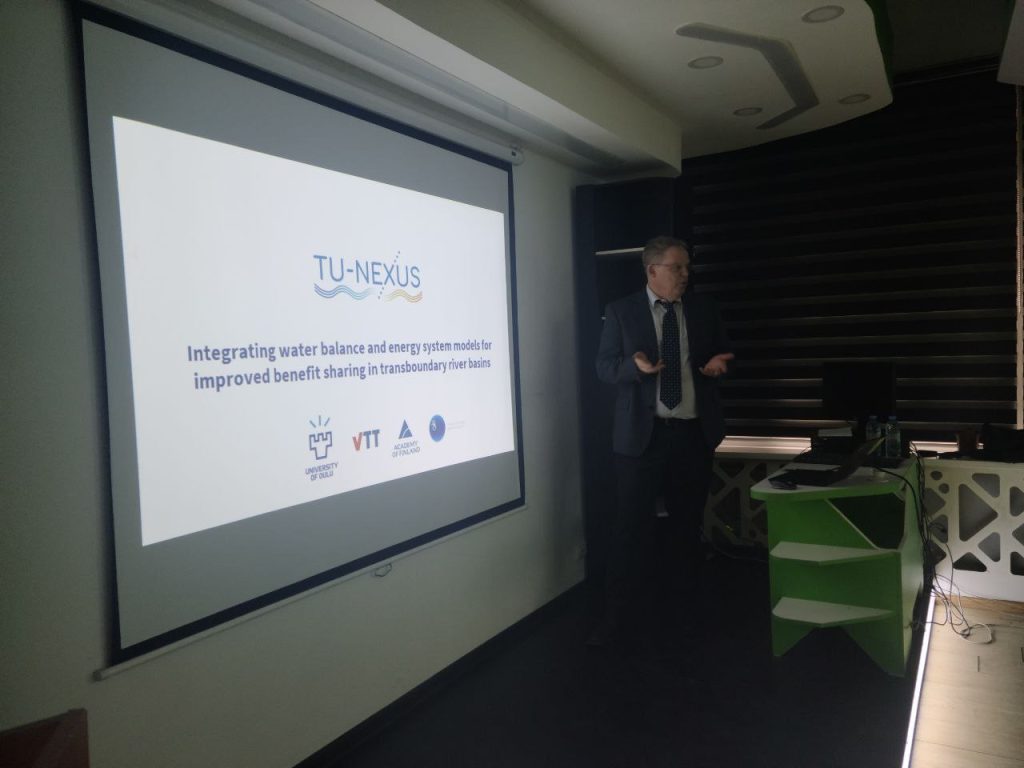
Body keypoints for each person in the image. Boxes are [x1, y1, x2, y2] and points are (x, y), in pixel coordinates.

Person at [589, 235, 733, 649]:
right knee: (629, 531)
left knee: (686, 530)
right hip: (642, 440)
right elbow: (604, 366)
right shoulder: (622, 310)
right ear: (652, 270)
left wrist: (720, 363)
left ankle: (683, 617)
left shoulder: (703, 309)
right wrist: (633, 367)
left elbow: (725, 352)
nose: (685, 275)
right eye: (677, 268)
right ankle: (616, 621)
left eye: (687, 267)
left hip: (691, 436)